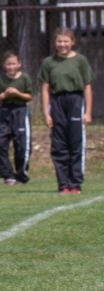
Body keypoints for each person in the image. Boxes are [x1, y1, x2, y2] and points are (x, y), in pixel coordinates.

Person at [38, 27, 94, 194]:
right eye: (59, 41)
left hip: (75, 101)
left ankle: (75, 183)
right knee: (59, 145)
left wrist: (88, 112)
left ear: (72, 42)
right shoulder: (49, 62)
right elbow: (45, 89)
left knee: (75, 143)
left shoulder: (81, 61)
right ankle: (63, 184)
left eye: (65, 41)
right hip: (57, 102)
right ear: (55, 43)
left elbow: (88, 87)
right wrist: (46, 113)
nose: (62, 44)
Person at [0, 50, 33, 185]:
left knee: (21, 145)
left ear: (19, 64)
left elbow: (29, 96)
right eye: (8, 64)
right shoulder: (0, 79)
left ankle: (21, 174)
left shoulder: (24, 78)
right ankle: (7, 175)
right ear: (4, 65)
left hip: (20, 111)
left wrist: (17, 93)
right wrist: (4, 95)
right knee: (1, 143)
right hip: (5, 112)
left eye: (14, 64)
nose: (11, 67)